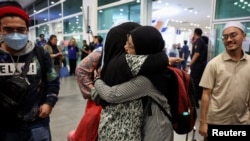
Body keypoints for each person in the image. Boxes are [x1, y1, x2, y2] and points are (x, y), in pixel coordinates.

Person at [92, 26, 174, 141]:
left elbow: (111, 95)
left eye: (130, 46)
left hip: (158, 132)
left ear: (144, 49)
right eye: (126, 43)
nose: (125, 48)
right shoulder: (151, 69)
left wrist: (96, 80)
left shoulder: (145, 80)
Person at [0, 1, 60, 141]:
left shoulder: (39, 53)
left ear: (27, 30)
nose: (15, 34)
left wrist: (49, 103)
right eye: (8, 29)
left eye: (21, 30)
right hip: (4, 127)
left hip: (37, 123)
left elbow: (52, 80)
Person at [198, 21, 250, 140]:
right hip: (217, 122)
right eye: (225, 37)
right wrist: (203, 122)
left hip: (242, 121)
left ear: (244, 36)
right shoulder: (214, 64)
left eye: (233, 35)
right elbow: (206, 94)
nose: (229, 40)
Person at [186, 28, 207, 107]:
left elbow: (197, 54)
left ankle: (194, 102)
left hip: (197, 65)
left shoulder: (199, 42)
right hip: (199, 65)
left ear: (195, 33)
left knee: (194, 82)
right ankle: (195, 101)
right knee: (196, 82)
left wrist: (189, 65)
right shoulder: (201, 41)